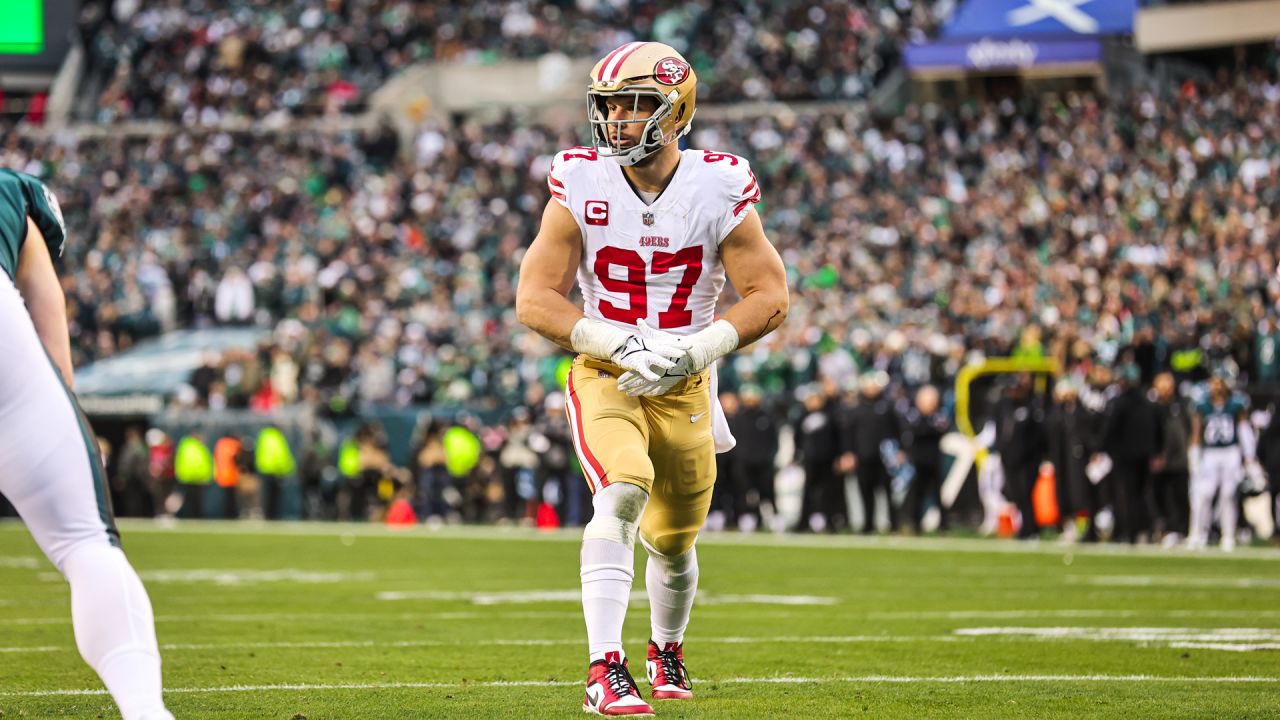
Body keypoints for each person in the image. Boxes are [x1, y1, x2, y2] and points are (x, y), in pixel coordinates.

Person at [515, 41, 788, 716]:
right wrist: (618, 339)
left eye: (636, 105)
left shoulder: (719, 183)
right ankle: (603, 667)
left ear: (676, 108)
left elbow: (770, 294)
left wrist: (699, 350)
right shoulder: (579, 178)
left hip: (687, 382)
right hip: (606, 369)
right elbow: (535, 298)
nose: (619, 122)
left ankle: (665, 646)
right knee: (623, 490)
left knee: (673, 542)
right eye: (610, 107)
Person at [0, 169, 173, 719]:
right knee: (84, 541)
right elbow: (45, 309)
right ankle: (145, 710)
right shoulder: (13, 195)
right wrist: (66, 420)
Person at [1188, 375, 1249, 551]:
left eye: (1219, 383)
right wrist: (1194, 454)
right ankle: (1198, 533)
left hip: (1231, 451)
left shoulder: (1236, 404)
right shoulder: (1202, 406)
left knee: (1228, 495)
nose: (1216, 387)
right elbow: (1197, 432)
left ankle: (1228, 535)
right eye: (1213, 383)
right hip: (1210, 453)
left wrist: (1249, 456)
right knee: (1203, 494)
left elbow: (1244, 430)